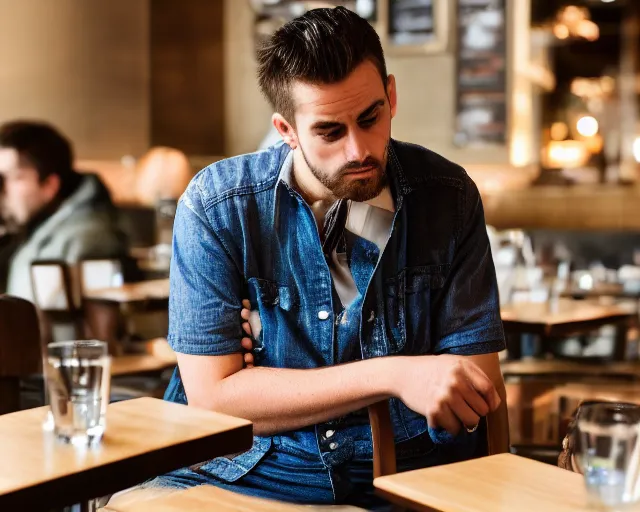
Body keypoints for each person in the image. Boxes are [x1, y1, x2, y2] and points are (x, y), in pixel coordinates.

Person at [111, 6, 508, 509]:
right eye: (329, 131)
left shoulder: (447, 197)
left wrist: (268, 387)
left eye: (371, 118)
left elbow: (473, 393)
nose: (358, 150)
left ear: (391, 95)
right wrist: (399, 374)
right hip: (245, 472)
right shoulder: (218, 206)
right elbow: (213, 400)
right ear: (287, 129)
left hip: (400, 480)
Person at [0, 121, 129, 301]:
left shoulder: (89, 239)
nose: (3, 190)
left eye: (14, 178)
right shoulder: (31, 230)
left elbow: (101, 325)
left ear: (49, 185)